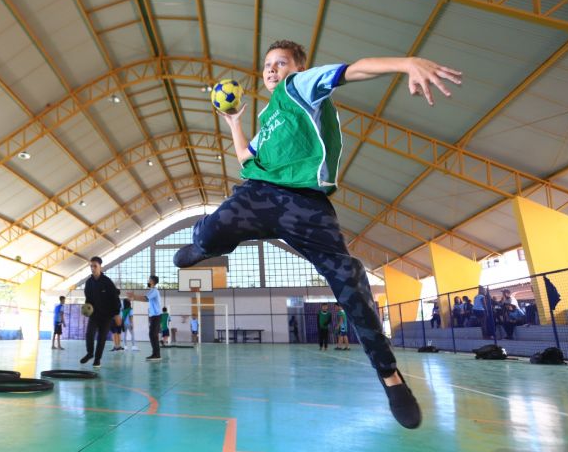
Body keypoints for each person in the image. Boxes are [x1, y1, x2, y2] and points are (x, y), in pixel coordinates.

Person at [173, 40, 460, 429]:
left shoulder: (301, 88)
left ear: (296, 68)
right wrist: (234, 124)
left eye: (281, 63)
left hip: (305, 205)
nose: (273, 70)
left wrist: (405, 62)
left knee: (349, 280)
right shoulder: (270, 120)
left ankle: (390, 377)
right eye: (268, 65)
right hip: (259, 193)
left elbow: (355, 68)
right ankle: (200, 245)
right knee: (210, 231)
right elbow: (245, 159)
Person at [81, 256, 121, 368]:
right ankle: (90, 353)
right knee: (89, 334)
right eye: (91, 266)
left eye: (95, 266)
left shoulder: (107, 282)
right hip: (94, 315)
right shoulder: (88, 283)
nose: (93, 268)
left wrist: (116, 314)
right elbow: (88, 299)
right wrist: (86, 309)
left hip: (107, 316)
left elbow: (115, 298)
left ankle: (97, 360)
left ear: (100, 267)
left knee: (101, 338)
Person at [128, 275, 162, 361]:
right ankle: (155, 354)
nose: (148, 281)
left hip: (156, 316)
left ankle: (156, 355)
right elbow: (145, 298)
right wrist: (134, 298)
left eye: (149, 280)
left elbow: (145, 298)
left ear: (152, 281)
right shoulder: (152, 291)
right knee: (153, 335)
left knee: (152, 335)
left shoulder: (154, 291)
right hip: (153, 317)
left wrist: (134, 296)